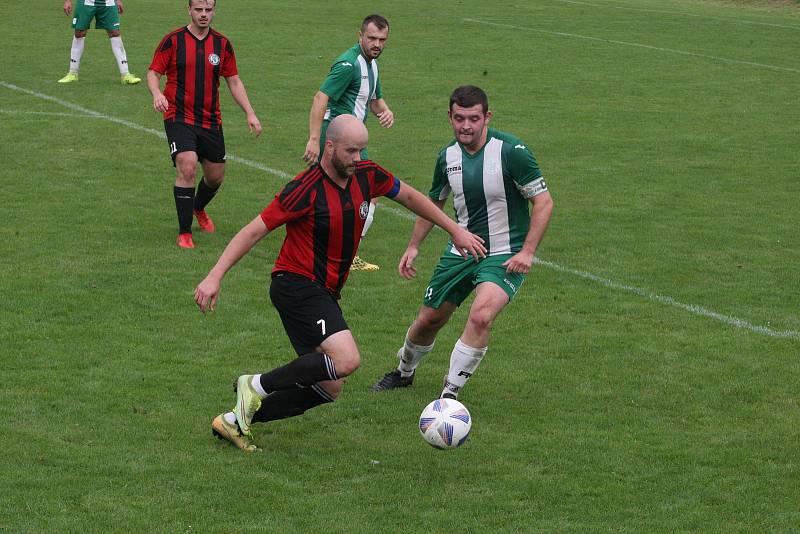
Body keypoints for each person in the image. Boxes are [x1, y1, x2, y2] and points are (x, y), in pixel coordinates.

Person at [194, 114, 486, 452]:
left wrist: (455, 229)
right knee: (347, 360)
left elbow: (410, 197)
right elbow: (255, 230)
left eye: (362, 150)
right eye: (351, 151)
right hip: (297, 285)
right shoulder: (304, 189)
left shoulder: (366, 175)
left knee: (330, 386)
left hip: (325, 292)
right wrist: (215, 275)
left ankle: (236, 421)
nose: (358, 158)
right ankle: (255, 385)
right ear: (329, 147)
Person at [372, 85, 554, 400]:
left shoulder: (512, 152)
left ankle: (449, 394)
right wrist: (414, 246)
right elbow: (433, 204)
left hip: (505, 253)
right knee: (428, 320)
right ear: (450, 117)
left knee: (482, 314)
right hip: (462, 251)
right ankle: (403, 372)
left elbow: (544, 202)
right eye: (459, 119)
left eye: (473, 119)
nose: (466, 126)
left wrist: (527, 251)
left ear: (487, 117)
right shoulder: (447, 157)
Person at [147, 0, 262, 249]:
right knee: (187, 166)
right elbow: (153, 73)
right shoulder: (173, 40)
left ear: (214, 11)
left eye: (208, 10)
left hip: (210, 120)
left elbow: (234, 81)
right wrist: (157, 93)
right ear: (189, 10)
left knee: (215, 176)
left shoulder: (222, 44)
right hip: (178, 116)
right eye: (198, 10)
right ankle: (184, 232)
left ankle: (197, 207)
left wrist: (250, 113)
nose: (203, 15)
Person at [302, 14, 395, 272]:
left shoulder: (372, 64)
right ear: (360, 36)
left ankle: (315, 243)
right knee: (367, 192)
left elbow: (373, 99)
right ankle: (346, 253)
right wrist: (313, 139)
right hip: (339, 138)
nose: (377, 44)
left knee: (328, 192)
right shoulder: (348, 64)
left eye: (382, 39)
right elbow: (320, 98)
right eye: (372, 38)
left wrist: (385, 111)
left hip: (351, 140)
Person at [58, 0, 141, 85]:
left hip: (108, 2)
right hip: (86, 2)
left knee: (115, 32)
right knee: (79, 33)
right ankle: (73, 73)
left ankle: (125, 74)